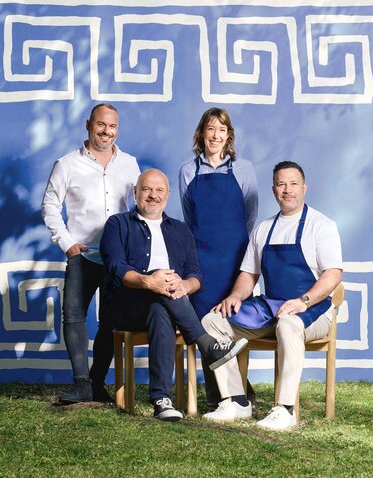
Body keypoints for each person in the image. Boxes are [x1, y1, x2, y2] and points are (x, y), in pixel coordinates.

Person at [202, 161, 343, 431]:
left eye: (293, 184)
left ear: (304, 188)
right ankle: (236, 401)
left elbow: (332, 276)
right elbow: (248, 274)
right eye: (281, 184)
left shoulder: (321, 225)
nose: (287, 190)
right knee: (212, 321)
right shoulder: (264, 228)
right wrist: (235, 296)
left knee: (289, 323)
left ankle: (285, 409)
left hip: (313, 310)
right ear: (273, 189)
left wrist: (303, 302)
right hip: (272, 308)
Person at [100, 169, 248, 422]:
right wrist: (149, 281)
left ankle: (162, 400)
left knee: (161, 308)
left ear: (168, 195)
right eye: (147, 189)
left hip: (167, 305)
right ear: (135, 193)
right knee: (161, 285)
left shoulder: (180, 229)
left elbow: (195, 274)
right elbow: (116, 266)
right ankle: (206, 344)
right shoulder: (118, 224)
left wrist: (184, 286)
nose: (153, 195)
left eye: (159, 190)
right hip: (128, 305)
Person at [41, 103, 140, 404]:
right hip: (82, 256)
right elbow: (49, 205)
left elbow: (137, 209)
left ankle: (97, 383)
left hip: (116, 260)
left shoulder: (130, 164)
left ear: (117, 129)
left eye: (112, 126)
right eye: (100, 124)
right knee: (73, 317)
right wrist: (67, 243)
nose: (106, 131)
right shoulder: (67, 163)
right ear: (88, 124)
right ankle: (81, 383)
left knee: (110, 322)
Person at [178, 107, 258, 410]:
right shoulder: (188, 170)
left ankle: (234, 391)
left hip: (235, 258)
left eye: (221, 130)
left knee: (231, 320)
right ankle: (223, 393)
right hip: (201, 258)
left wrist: (238, 249)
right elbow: (189, 215)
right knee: (205, 323)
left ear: (229, 135)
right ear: (202, 133)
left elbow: (250, 213)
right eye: (210, 129)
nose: (215, 135)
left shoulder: (244, 168)